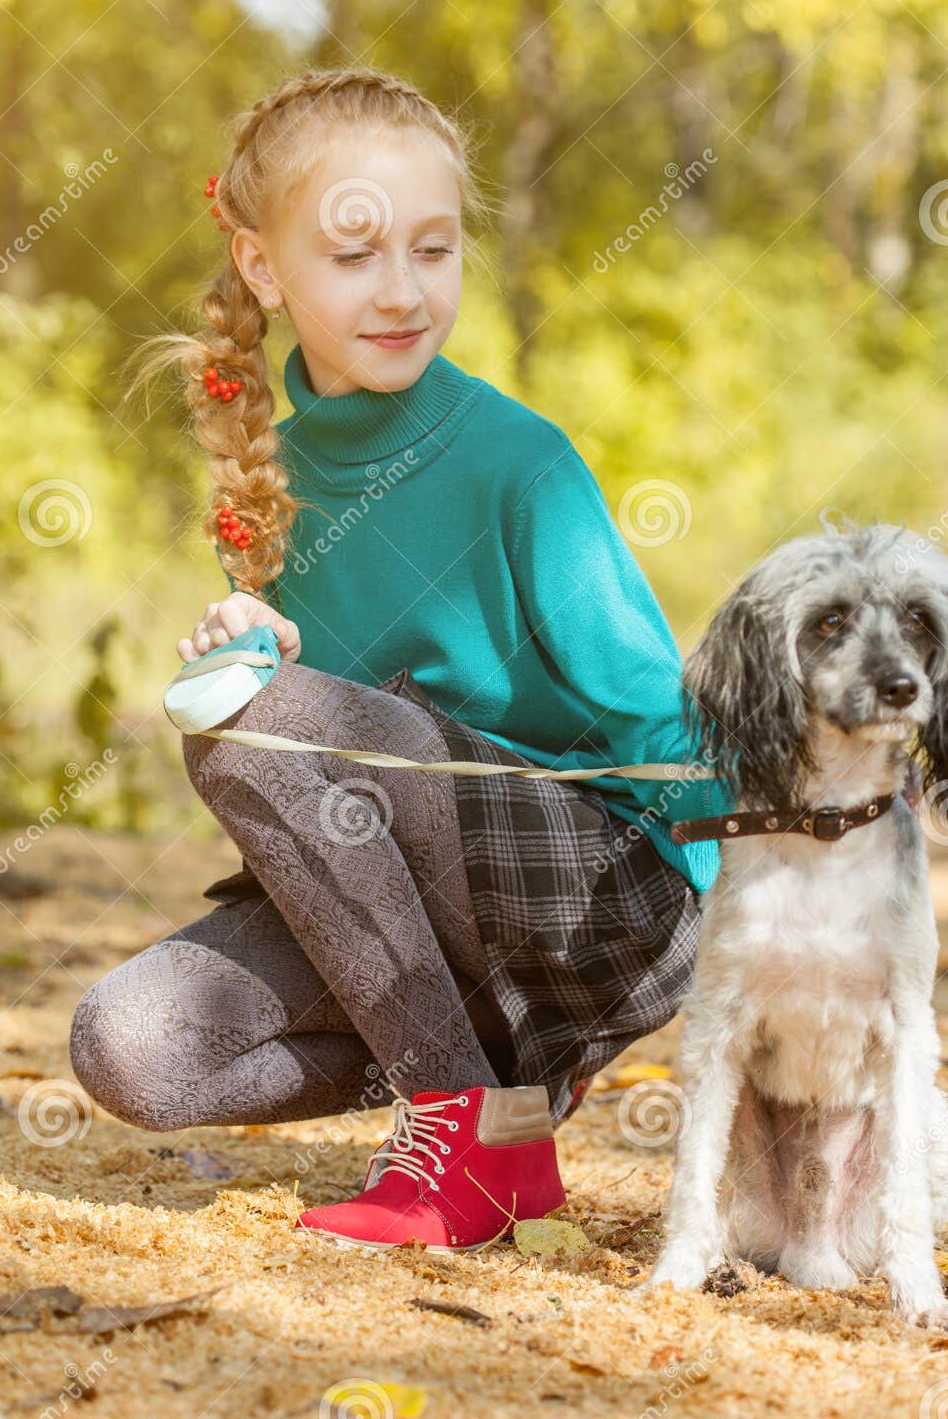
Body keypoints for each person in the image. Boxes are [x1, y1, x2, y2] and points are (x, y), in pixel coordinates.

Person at [68, 66, 732, 1251]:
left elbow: (654, 713)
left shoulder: (513, 463)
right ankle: (500, 1109)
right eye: (355, 255)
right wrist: (258, 643)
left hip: (598, 901)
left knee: (256, 722)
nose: (402, 291)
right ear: (264, 268)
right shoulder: (261, 480)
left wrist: (759, 903)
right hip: (438, 927)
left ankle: (458, 1128)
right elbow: (313, 792)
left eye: (433, 251)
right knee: (133, 1046)